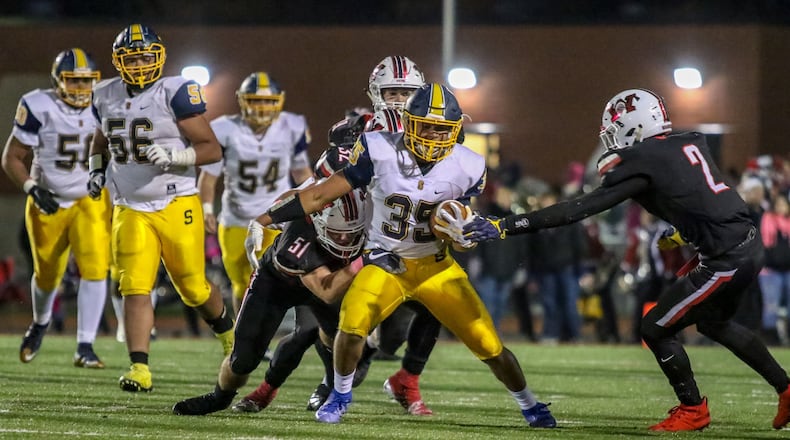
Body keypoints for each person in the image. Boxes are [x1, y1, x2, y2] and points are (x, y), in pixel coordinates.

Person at [464, 88, 790, 431]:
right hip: (745, 245)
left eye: (616, 128)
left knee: (655, 327)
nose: (612, 138)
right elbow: (710, 197)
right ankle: (785, 389)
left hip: (726, 258)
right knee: (713, 323)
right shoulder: (687, 143)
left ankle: (693, 409)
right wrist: (682, 233)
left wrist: (505, 225)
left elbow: (577, 210)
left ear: (634, 126)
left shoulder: (642, 160)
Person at [245, 83, 557, 428]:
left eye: (442, 129)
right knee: (350, 327)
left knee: (489, 344)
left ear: (456, 130)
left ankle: (530, 405)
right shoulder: (379, 149)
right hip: (386, 262)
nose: (434, 135)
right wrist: (265, 219)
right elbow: (319, 196)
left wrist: (459, 231)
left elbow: (456, 219)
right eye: (426, 126)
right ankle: (339, 396)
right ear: (408, 123)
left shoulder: (468, 164)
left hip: (435, 267)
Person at [88, 23, 235, 392]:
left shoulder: (175, 91)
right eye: (131, 58)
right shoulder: (104, 93)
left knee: (193, 289)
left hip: (176, 200)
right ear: (119, 61)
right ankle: (140, 368)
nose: (138, 65)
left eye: (144, 57)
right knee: (134, 286)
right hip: (129, 205)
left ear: (158, 57)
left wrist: (175, 154)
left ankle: (230, 335)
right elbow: (100, 139)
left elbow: (212, 149)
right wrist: (95, 170)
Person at [171, 187, 368, 415]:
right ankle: (219, 397)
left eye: (350, 234)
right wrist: (363, 261)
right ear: (319, 221)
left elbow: (306, 190)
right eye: (337, 234)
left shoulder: (358, 209)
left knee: (344, 335)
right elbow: (326, 291)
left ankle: (329, 387)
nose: (344, 240)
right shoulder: (296, 242)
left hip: (330, 277)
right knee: (243, 361)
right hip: (279, 283)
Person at [2, 48, 109, 368]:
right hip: (47, 200)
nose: (80, 89)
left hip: (89, 200)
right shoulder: (38, 104)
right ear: (58, 82)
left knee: (95, 269)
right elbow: (11, 157)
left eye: (86, 82)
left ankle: (85, 345)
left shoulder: (105, 104)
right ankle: (41, 322)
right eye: (73, 82)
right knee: (47, 275)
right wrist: (31, 187)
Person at [199, 71, 313, 315]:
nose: (262, 108)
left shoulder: (291, 126)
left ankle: (274, 336)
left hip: (276, 220)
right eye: (256, 100)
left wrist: (313, 205)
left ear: (279, 102)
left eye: (268, 101)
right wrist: (207, 208)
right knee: (242, 283)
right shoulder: (225, 129)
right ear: (242, 101)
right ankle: (244, 340)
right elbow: (208, 178)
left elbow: (303, 174)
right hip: (236, 219)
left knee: (276, 281)